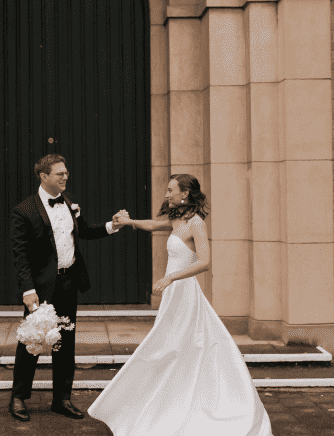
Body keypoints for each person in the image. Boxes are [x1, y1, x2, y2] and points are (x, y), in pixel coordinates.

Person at [87, 174, 273, 435]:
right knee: (172, 345)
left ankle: (172, 400)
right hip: (173, 293)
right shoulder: (177, 219)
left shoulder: (196, 223)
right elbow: (153, 225)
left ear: (185, 193)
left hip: (184, 292)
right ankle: (166, 399)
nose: (166, 195)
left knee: (172, 344)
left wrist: (171, 276)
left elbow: (205, 262)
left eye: (170, 190)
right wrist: (128, 222)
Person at [9, 154, 129, 422]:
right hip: (41, 288)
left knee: (65, 342)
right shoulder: (24, 210)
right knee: (31, 342)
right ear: (44, 176)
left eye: (66, 173)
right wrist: (28, 290)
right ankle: (18, 397)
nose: (65, 177)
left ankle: (61, 399)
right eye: (59, 173)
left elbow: (84, 231)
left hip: (68, 283)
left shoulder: (69, 203)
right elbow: (20, 256)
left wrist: (112, 226)